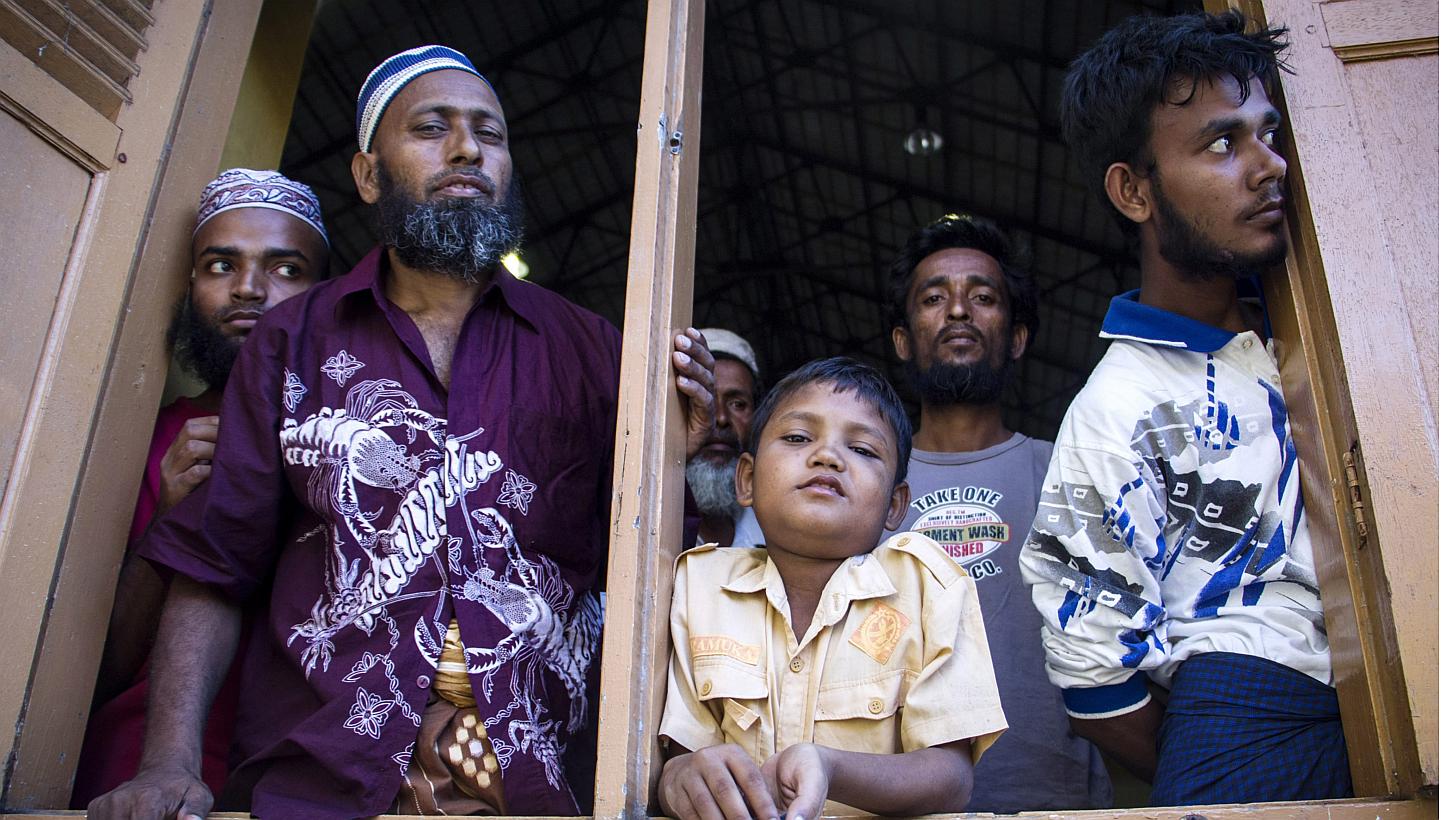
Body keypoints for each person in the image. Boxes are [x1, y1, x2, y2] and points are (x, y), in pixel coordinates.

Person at [91, 45, 716, 819]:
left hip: (543, 786)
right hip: (324, 781)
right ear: (367, 174)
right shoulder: (292, 343)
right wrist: (169, 765)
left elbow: (656, 576)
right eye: (433, 128)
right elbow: (215, 565)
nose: (467, 150)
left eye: (490, 134)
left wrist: (668, 465)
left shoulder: (594, 350)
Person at [1018, 11, 1351, 806]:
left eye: (1269, 133)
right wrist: (1227, 740)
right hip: (1248, 722)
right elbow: (1091, 672)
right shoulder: (1120, 406)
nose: (1269, 165)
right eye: (1222, 144)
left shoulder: (1337, 328)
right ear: (1134, 190)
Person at [72, 169, 329, 807]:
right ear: (191, 285)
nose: (249, 288)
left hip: (302, 780)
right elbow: (87, 677)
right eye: (220, 265)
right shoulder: (147, 442)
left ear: (324, 295)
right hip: (136, 782)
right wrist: (170, 520)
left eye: (286, 269)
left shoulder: (355, 446)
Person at [658, 357, 1007, 820]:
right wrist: (678, 778)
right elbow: (680, 757)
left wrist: (831, 768)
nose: (827, 456)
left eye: (862, 449)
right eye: (799, 438)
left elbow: (951, 778)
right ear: (746, 479)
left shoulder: (927, 585)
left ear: (895, 505)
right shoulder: (699, 586)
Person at [884, 213, 1112, 812]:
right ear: (903, 339)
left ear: (1016, 337)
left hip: (1055, 799)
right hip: (902, 801)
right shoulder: (867, 485)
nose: (958, 311)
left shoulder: (1066, 468)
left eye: (983, 297)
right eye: (934, 298)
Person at [685, 328, 765, 547]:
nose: (720, 417)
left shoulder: (775, 528)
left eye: (737, 404)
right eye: (701, 400)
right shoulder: (641, 520)